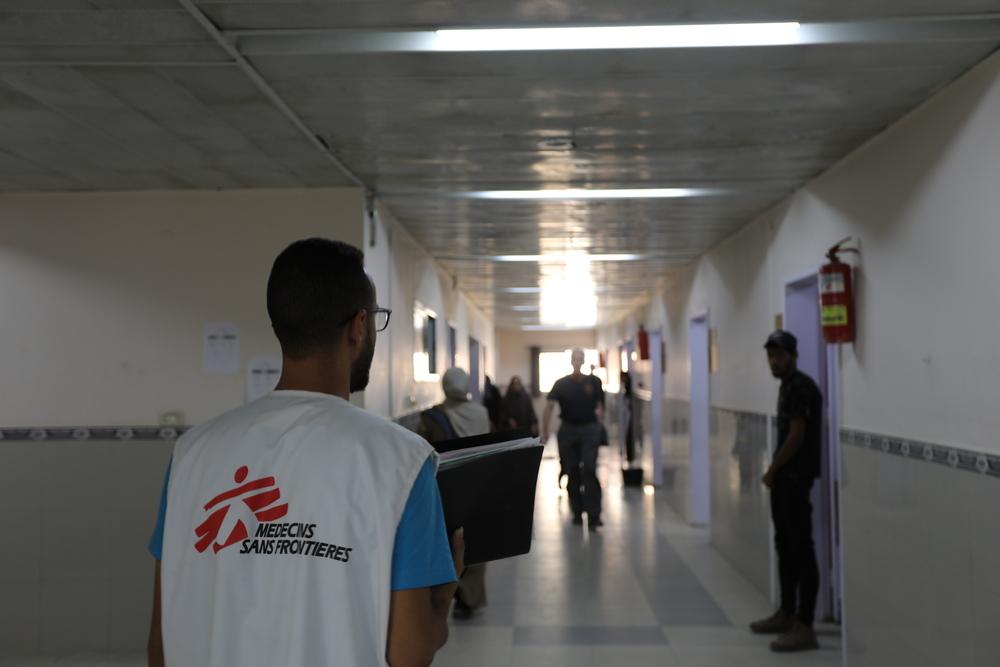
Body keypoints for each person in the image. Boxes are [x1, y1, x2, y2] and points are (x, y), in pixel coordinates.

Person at [146, 239, 463, 667]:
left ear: (281, 327)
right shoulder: (400, 461)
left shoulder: (190, 455)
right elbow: (409, 653)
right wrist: (442, 601)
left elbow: (160, 645)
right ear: (358, 327)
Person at [750, 330, 823, 652]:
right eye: (770, 356)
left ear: (792, 356)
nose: (773, 361)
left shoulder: (801, 387)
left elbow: (795, 436)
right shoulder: (787, 386)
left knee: (801, 550)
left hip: (794, 480)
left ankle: (805, 625)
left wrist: (772, 469)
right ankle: (787, 612)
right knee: (785, 547)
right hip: (785, 482)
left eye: (778, 356)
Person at [417, 368, 491, 620]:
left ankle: (447, 594)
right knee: (476, 541)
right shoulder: (481, 413)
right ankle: (470, 597)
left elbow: (422, 451)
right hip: (479, 482)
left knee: (448, 541)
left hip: (446, 486)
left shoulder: (432, 417)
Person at [541, 348, 605, 530]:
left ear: (583, 361)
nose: (577, 362)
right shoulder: (561, 384)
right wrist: (545, 431)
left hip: (589, 429)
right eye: (574, 359)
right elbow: (549, 407)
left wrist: (599, 426)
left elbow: (600, 406)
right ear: (571, 361)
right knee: (572, 470)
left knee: (590, 469)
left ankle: (594, 515)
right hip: (568, 430)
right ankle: (577, 512)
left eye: (580, 358)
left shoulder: (594, 382)